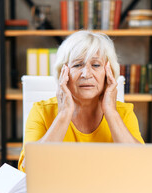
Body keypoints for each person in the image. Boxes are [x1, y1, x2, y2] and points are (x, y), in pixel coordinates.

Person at [18, 30, 144, 172]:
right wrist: (64, 114)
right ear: (63, 73)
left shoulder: (123, 113)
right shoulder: (41, 111)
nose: (86, 74)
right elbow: (29, 169)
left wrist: (110, 111)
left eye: (96, 65)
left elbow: (140, 165)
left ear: (109, 73)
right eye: (77, 65)